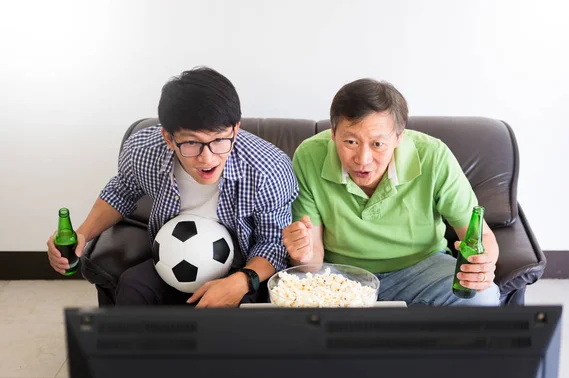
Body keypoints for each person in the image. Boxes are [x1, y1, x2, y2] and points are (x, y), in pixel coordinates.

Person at [47, 67, 298, 307]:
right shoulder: (143, 150)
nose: (207, 158)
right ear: (168, 138)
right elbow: (121, 192)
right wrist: (81, 234)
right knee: (133, 286)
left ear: (235, 129)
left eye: (219, 140)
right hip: (173, 256)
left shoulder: (268, 168)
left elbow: (273, 242)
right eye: (192, 143)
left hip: (241, 263)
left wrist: (242, 281)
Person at [282, 78, 500, 306]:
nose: (363, 160)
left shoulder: (433, 156)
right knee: (289, 297)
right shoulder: (309, 156)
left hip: (423, 270)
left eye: (377, 144)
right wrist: (303, 256)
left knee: (482, 297)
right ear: (333, 133)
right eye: (350, 142)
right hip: (340, 275)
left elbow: (481, 235)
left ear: (398, 137)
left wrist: (482, 267)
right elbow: (312, 263)